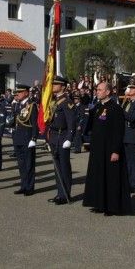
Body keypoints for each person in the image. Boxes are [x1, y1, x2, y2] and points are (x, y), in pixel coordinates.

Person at [83, 82, 131, 216]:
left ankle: (111, 206)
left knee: (110, 178)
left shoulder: (115, 108)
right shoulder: (98, 107)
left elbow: (118, 131)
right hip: (98, 149)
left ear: (108, 92)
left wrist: (116, 150)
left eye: (100, 89)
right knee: (98, 176)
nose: (97, 91)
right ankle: (99, 203)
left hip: (110, 149)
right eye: (97, 89)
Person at [47, 76, 76, 205]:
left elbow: (71, 122)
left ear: (63, 86)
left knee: (64, 167)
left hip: (62, 136)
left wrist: (69, 138)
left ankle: (65, 194)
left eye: (56, 84)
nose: (53, 86)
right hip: (54, 136)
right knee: (57, 167)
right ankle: (60, 193)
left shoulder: (66, 101)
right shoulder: (54, 100)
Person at [12, 84, 38, 196]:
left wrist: (34, 138)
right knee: (21, 164)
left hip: (27, 138)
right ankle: (23, 185)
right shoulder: (17, 105)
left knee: (29, 164)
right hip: (18, 138)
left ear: (26, 93)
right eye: (17, 92)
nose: (17, 94)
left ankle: (29, 187)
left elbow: (35, 123)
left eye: (20, 92)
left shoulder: (32, 105)